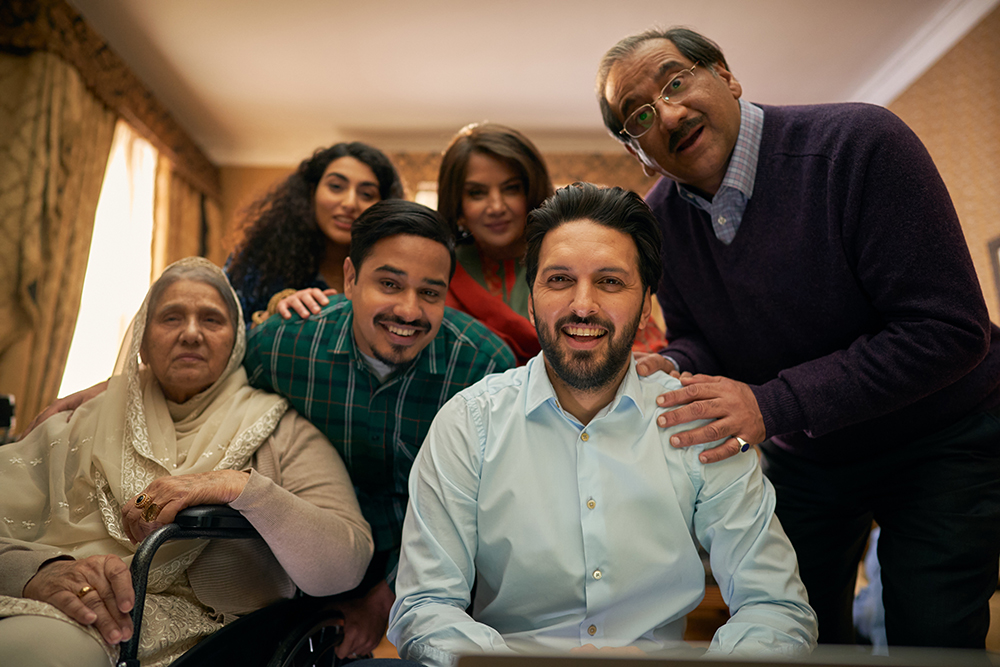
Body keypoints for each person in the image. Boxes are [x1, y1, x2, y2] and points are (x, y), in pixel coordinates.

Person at [596, 26, 1000, 648]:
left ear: (726, 76)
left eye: (675, 82)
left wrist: (772, 404)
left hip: (944, 435)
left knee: (929, 638)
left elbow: (948, 329)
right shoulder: (660, 225)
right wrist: (674, 364)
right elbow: (703, 336)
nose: (669, 113)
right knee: (787, 630)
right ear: (639, 152)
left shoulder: (859, 143)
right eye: (640, 115)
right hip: (811, 455)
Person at [387, 184, 817, 666]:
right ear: (532, 301)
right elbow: (425, 606)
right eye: (559, 280)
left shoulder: (698, 424)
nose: (583, 305)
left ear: (646, 304)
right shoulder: (468, 424)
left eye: (610, 281)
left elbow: (775, 607)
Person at [0, 258, 373, 667]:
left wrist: (239, 487)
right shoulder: (78, 421)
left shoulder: (280, 429)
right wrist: (38, 570)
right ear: (142, 340)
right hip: (46, 602)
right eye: (171, 318)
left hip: (204, 642)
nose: (191, 333)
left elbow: (344, 566)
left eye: (211, 320)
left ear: (237, 342)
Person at [244, 199, 516, 659]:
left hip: (437, 578)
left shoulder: (482, 367)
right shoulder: (282, 346)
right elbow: (218, 406)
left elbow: (482, 509)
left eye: (430, 293)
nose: (409, 311)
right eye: (389, 284)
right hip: (300, 567)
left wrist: (381, 602)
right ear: (350, 278)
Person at [225, 141, 404, 325]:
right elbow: (220, 329)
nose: (350, 203)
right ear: (312, 191)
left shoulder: (398, 272)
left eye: (366, 194)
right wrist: (270, 318)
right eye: (336, 186)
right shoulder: (259, 260)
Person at [436, 123, 552, 364]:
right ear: (457, 204)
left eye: (511, 189)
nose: (497, 207)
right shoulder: (439, 270)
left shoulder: (567, 264)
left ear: (531, 193)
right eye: (477, 193)